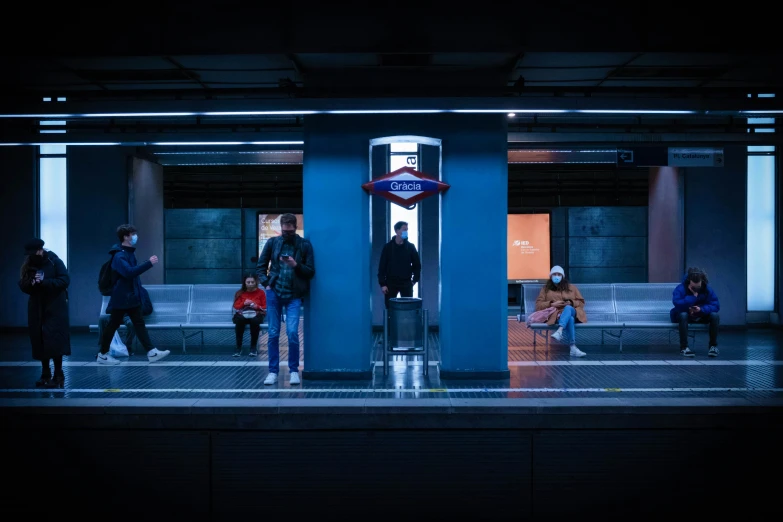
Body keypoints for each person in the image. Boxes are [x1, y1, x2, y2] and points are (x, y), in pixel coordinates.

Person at [96, 224, 170, 365]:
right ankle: (103, 354)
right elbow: (129, 273)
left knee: (137, 323)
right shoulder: (119, 256)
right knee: (113, 325)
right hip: (122, 297)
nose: (135, 236)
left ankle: (151, 351)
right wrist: (149, 263)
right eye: (132, 234)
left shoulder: (128, 253)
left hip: (130, 296)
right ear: (125, 237)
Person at [256, 213, 315, 385]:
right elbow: (261, 265)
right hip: (274, 292)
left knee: (292, 333)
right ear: (281, 229)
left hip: (294, 294)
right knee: (273, 333)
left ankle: (294, 370)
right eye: (284, 231)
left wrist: (296, 265)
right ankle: (273, 371)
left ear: (295, 228)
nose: (287, 234)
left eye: (289, 231)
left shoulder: (304, 245)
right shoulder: (273, 242)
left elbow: (311, 271)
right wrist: (266, 283)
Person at [18, 238, 72, 388]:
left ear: (41, 250)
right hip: (37, 307)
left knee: (55, 340)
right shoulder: (29, 264)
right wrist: (32, 284)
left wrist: (45, 282)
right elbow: (23, 284)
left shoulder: (54, 261)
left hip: (55, 306)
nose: (32, 256)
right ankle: (45, 373)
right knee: (40, 340)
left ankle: (58, 374)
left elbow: (65, 280)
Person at [534, 266, 587, 357]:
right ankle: (573, 347)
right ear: (551, 276)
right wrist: (551, 304)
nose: (557, 276)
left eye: (559, 274)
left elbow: (581, 303)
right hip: (557, 315)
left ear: (562, 276)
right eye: (554, 274)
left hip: (573, 311)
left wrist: (570, 302)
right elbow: (538, 305)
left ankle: (559, 330)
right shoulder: (546, 289)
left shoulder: (572, 288)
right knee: (569, 319)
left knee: (568, 309)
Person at [670, 267, 720, 357]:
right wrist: (693, 297)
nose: (696, 289)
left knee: (714, 316)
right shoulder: (681, 288)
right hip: (685, 315)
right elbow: (677, 303)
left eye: (698, 287)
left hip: (701, 314)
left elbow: (715, 305)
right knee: (683, 315)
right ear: (689, 282)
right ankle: (684, 347)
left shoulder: (707, 289)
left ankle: (713, 346)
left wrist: (701, 309)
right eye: (693, 287)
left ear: (702, 281)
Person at [378, 221, 422, 308]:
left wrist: (414, 280)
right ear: (397, 231)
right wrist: (382, 284)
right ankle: (390, 322)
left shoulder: (410, 247)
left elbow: (417, 265)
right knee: (390, 308)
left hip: (406, 282)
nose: (406, 232)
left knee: (408, 308)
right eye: (404, 229)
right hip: (391, 283)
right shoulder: (388, 247)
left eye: (407, 230)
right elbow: (382, 266)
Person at [232, 273, 267, 357]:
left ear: (256, 282)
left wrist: (256, 306)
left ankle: (253, 347)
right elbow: (236, 306)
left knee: (255, 321)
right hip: (243, 314)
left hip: (256, 313)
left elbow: (264, 306)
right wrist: (244, 303)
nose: (250, 284)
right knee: (240, 321)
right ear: (244, 282)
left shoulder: (261, 292)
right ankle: (238, 347)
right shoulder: (240, 293)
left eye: (252, 282)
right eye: (248, 282)